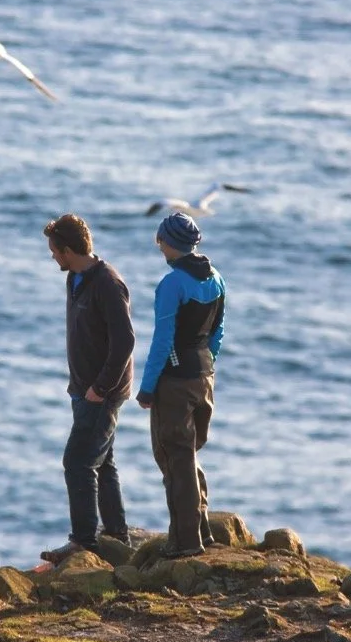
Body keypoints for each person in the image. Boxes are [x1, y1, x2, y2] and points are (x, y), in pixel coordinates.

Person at [40, 213, 135, 562]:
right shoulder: (75, 278)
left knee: (78, 462)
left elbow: (125, 341)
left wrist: (101, 386)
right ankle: (116, 536)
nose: (52, 257)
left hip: (102, 392)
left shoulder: (108, 282)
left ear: (68, 249)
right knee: (103, 462)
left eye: (54, 251)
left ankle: (84, 542)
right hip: (83, 389)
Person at [136, 212, 226, 559]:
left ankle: (187, 542)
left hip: (175, 379)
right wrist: (208, 365)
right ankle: (202, 528)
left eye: (160, 239)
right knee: (188, 453)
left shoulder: (172, 284)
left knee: (174, 457)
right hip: (204, 374)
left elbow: (163, 340)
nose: (158, 244)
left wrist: (146, 388)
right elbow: (218, 330)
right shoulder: (216, 278)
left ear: (167, 243)